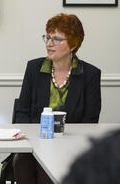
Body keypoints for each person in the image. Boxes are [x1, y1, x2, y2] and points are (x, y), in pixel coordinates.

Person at [13, 13, 101, 184]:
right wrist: (37, 142)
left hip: (71, 148)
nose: (49, 43)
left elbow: (90, 121)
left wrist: (61, 144)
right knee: (21, 163)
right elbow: (22, 113)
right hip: (34, 146)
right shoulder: (34, 68)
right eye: (47, 37)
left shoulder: (90, 74)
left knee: (49, 170)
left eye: (57, 39)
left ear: (73, 44)